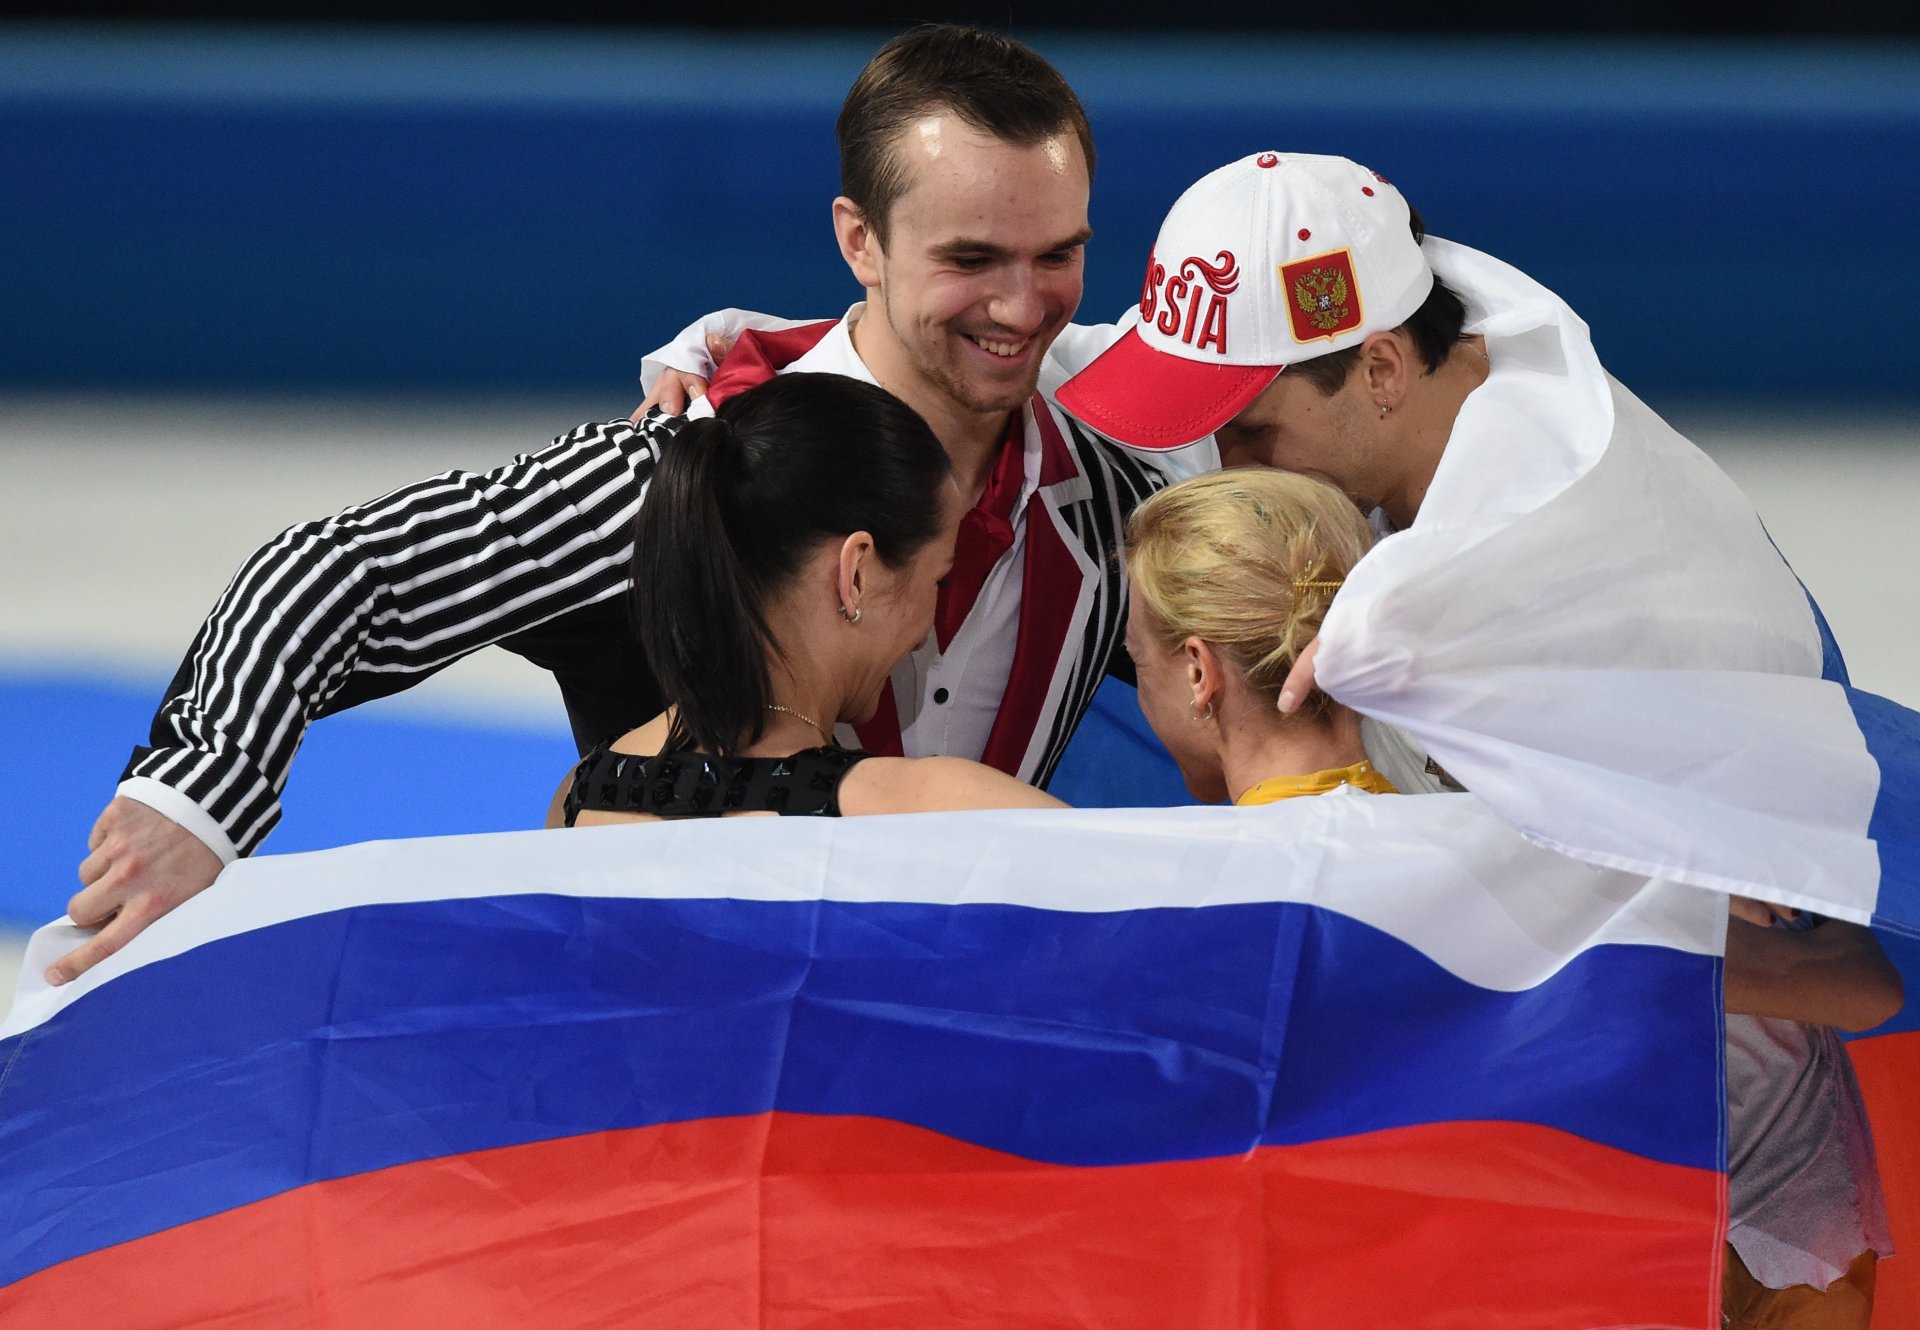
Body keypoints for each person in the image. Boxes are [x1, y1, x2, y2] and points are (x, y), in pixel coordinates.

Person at [59, 25, 1165, 986]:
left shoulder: (1107, 481)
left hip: (953, 1074)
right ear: (859, 241)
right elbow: (347, 572)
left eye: (1059, 254)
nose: (1023, 306)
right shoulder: (697, 461)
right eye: (973, 259)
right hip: (684, 1082)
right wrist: (195, 800)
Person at [1125, 466, 1899, 1329]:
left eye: (1135, 664)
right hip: (1704, 1264)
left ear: (1199, 672)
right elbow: (1855, 983)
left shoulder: (1172, 898)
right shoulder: (1514, 842)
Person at [551, 373, 1062, 826]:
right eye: (939, 582)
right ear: (855, 573)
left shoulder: (580, 798)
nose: (923, 633)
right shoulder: (947, 811)